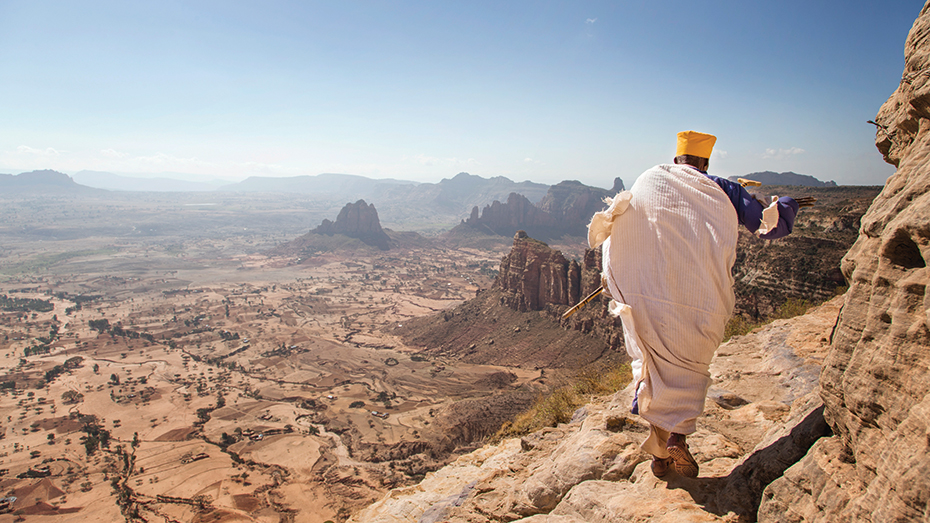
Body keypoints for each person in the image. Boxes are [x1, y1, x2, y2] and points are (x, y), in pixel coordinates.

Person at [587, 131, 813, 478]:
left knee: (653, 364)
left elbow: (623, 224)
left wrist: (621, 278)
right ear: (704, 163)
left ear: (677, 159)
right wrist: (787, 204)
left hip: (648, 295)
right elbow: (768, 226)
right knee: (689, 369)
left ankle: (660, 457)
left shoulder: (650, 179)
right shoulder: (724, 188)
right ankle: (677, 437)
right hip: (698, 299)